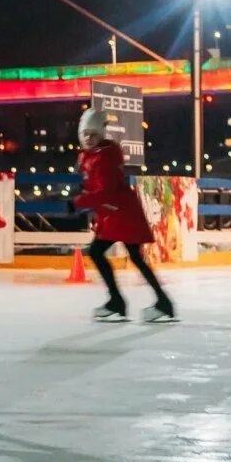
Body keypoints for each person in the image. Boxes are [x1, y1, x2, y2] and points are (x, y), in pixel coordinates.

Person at [75, 108, 175, 323]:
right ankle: (138, 302)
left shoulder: (105, 156)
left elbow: (105, 191)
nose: (89, 139)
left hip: (122, 214)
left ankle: (126, 302)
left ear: (101, 134)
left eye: (93, 134)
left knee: (121, 255)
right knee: (117, 255)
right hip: (113, 213)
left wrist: (77, 203)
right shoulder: (89, 156)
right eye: (86, 135)